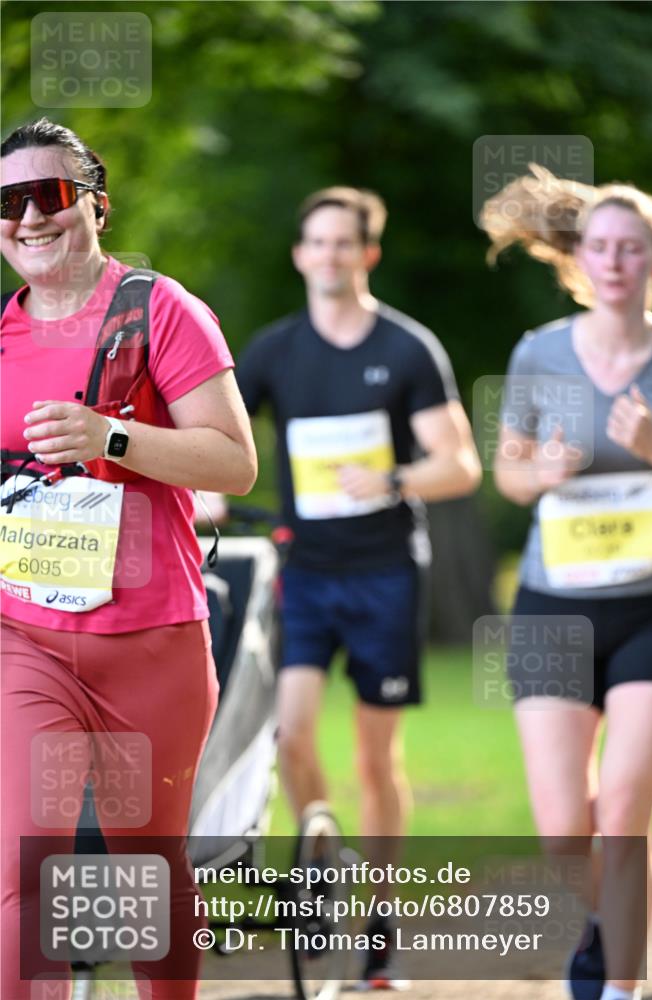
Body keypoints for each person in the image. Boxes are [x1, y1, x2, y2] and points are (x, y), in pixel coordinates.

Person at [0, 118, 257, 1000]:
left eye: (52, 195)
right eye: (8, 203)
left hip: (152, 643)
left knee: (147, 872)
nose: (29, 218)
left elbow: (234, 461)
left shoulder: (159, 309)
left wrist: (110, 435)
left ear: (96, 207)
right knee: (22, 870)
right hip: (22, 640)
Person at [233, 185, 481, 985]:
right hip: (303, 573)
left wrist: (392, 478)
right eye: (318, 243)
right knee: (292, 734)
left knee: (378, 762)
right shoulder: (273, 350)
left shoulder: (408, 349)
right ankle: (322, 858)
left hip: (383, 575)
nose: (331, 255)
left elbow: (460, 466)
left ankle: (382, 921)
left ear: (367, 253)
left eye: (346, 243)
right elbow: (221, 439)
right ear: (301, 254)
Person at [481, 165, 652, 1000]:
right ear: (578, 260)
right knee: (564, 831)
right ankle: (598, 933)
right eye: (601, 247)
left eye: (632, 248)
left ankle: (617, 988)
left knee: (623, 818)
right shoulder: (539, 353)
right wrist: (543, 468)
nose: (615, 262)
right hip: (554, 605)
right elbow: (507, 474)